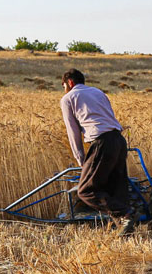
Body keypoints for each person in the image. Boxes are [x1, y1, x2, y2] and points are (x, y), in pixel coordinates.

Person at [60, 68, 139, 233]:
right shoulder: (98, 92)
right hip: (118, 139)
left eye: (63, 86)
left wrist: (82, 161)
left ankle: (126, 214)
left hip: (102, 142)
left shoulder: (68, 98)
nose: (64, 90)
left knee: (86, 190)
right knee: (116, 188)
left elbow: (73, 133)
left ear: (70, 83)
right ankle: (126, 230)